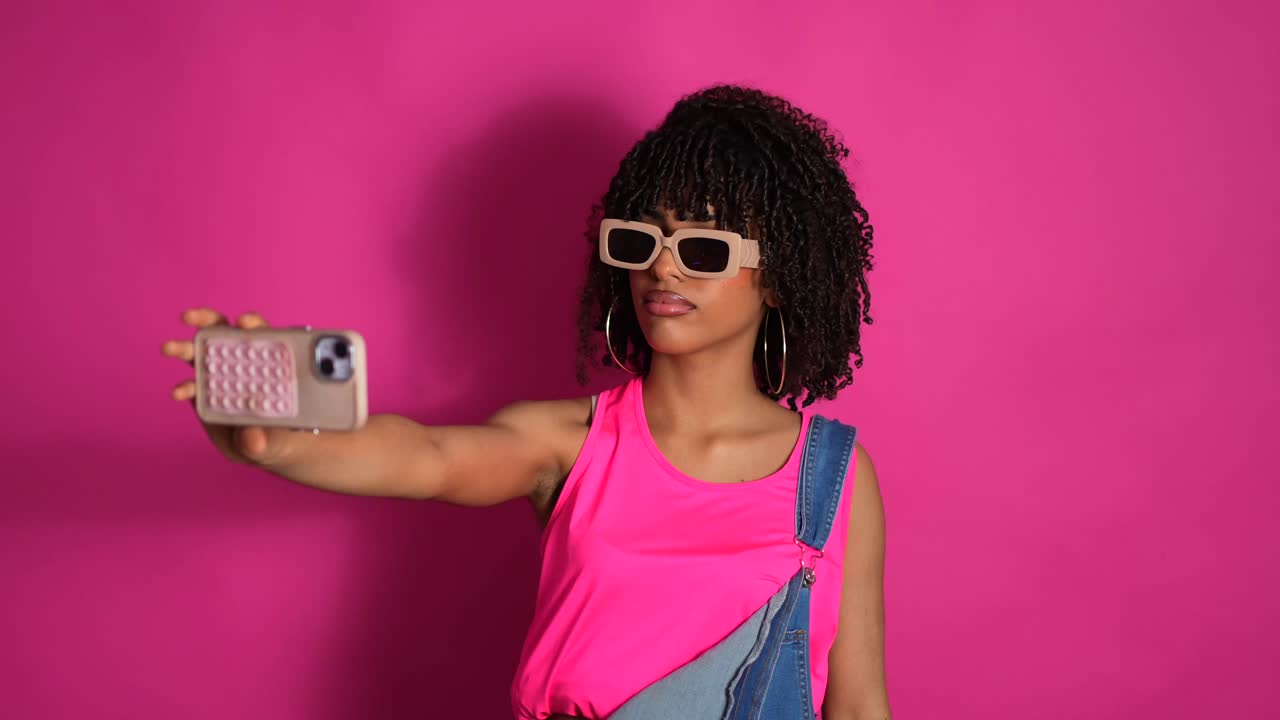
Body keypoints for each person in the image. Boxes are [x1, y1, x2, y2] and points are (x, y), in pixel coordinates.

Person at [162, 84, 889, 720]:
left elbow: (857, 707)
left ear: (777, 277)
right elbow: (430, 456)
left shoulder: (835, 479)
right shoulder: (569, 442)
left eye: (703, 250)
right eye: (641, 241)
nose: (663, 266)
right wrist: (279, 438)